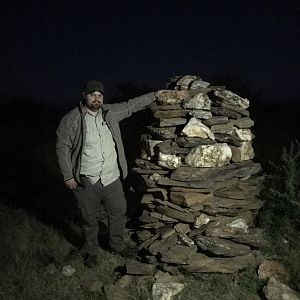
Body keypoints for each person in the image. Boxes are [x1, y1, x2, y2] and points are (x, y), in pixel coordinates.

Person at [56, 80, 157, 267]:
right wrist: (68, 176)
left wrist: (154, 95)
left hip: (111, 176)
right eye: (92, 95)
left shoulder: (109, 112)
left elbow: (131, 106)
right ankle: (91, 250)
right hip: (86, 179)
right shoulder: (72, 119)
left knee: (118, 211)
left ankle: (117, 245)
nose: (96, 99)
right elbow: (62, 147)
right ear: (84, 96)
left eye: (100, 95)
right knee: (89, 218)